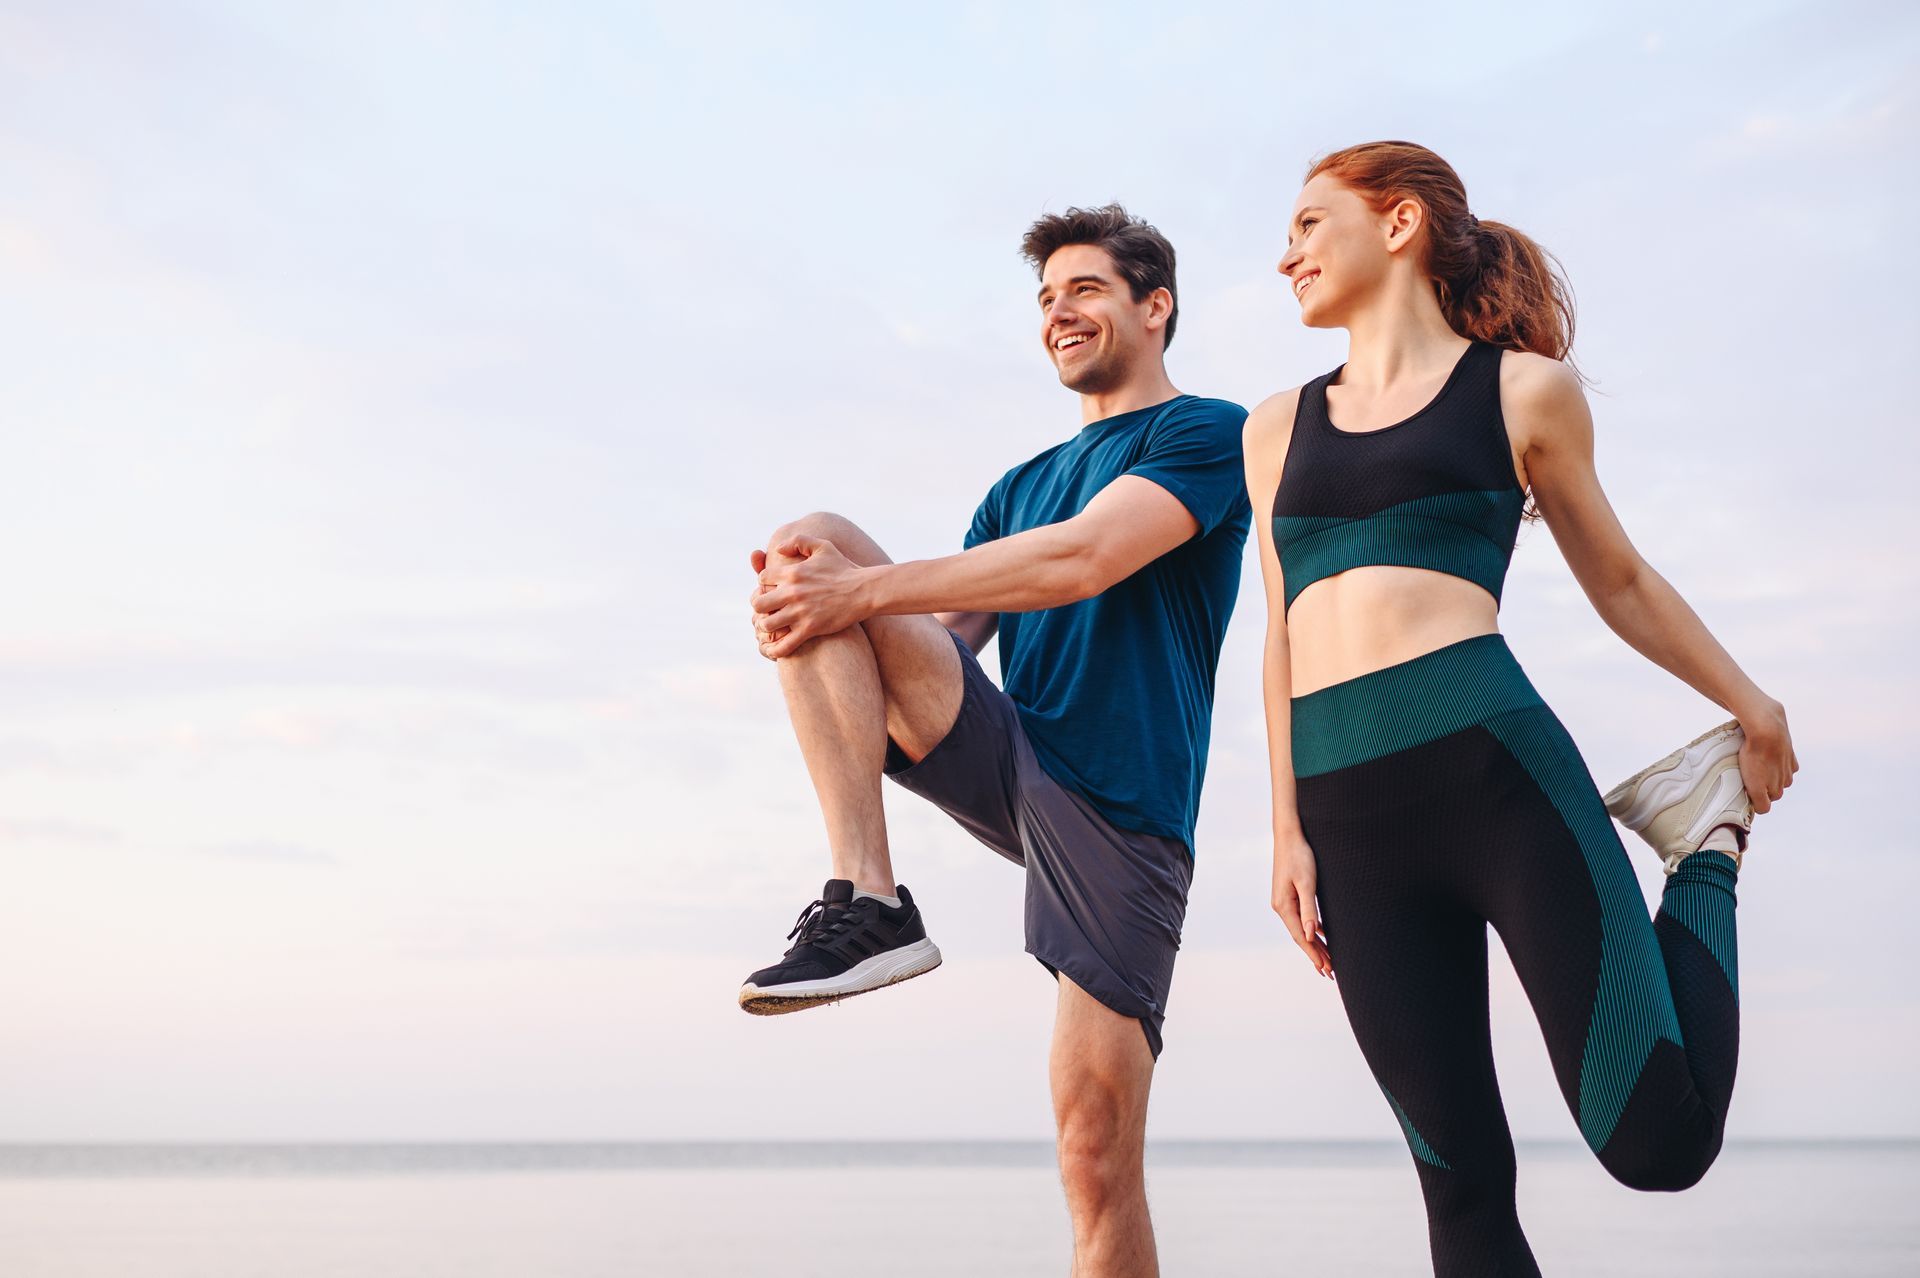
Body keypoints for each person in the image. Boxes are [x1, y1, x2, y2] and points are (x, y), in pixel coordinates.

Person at [1243, 142, 1798, 1276]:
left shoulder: (1518, 392)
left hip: (1494, 779)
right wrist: (1285, 829)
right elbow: (1279, 632)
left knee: (1659, 1142)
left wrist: (1751, 705)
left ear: (1396, 224)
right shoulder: (1272, 428)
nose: (1284, 251)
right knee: (1461, 1198)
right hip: (1348, 822)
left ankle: (1701, 846)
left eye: (1308, 222)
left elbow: (1623, 582)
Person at [742, 204, 1250, 1277]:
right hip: (1010, 757)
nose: (1060, 313)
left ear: (1154, 308)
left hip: (1123, 809)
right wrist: (815, 616)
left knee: (1093, 1149)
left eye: (1086, 291)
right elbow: (943, 646)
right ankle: (869, 899)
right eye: (1047, 299)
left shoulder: (1205, 432)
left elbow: (1081, 562)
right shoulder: (1013, 489)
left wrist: (861, 590)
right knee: (809, 546)